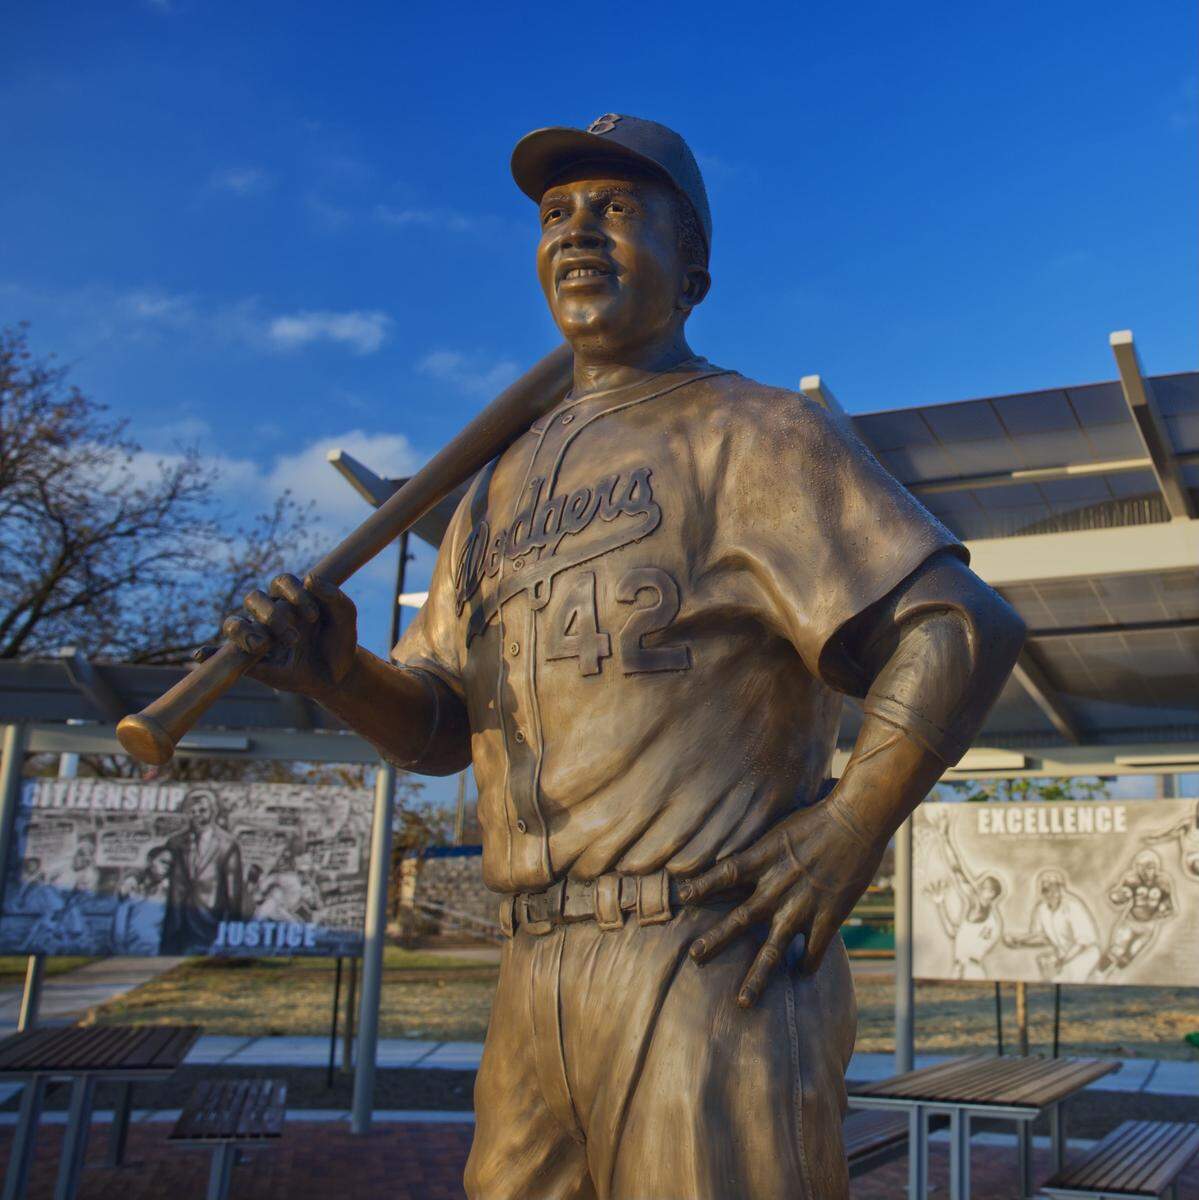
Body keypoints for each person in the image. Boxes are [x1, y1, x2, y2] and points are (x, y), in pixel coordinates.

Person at [204, 114, 1024, 1200]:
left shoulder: (752, 432)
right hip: (531, 969)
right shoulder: (494, 489)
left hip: (705, 961)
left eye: (619, 209)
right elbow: (445, 727)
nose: (579, 231)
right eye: (557, 215)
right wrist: (335, 672)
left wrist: (848, 825)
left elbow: (961, 626)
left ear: (693, 270)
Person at [923, 808, 1004, 980]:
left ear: (992, 894)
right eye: (981, 884)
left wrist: (944, 837)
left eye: (985, 886)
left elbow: (957, 869)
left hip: (970, 969)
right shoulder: (981, 910)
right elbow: (953, 931)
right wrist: (940, 903)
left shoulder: (985, 914)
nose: (979, 887)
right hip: (962, 967)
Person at [161, 788, 243, 953]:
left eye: (203, 810)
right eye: (192, 811)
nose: (197, 815)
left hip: (210, 919)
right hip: (178, 922)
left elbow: (233, 891)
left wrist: (232, 929)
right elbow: (157, 869)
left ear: (213, 811)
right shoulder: (174, 842)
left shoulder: (227, 845)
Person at [1005, 868, 1101, 982]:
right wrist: (1019, 942)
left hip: (1084, 957)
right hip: (1063, 958)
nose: (1051, 893)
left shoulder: (1073, 906)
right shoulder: (1041, 909)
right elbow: (1043, 938)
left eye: (1055, 888)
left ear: (1061, 888)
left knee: (1070, 984)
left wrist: (1062, 960)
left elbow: (1083, 942)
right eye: (1046, 889)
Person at [1096, 847, 1175, 974]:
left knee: (1129, 956)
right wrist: (1117, 895)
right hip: (1130, 922)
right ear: (1137, 868)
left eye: (1150, 867)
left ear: (1156, 867)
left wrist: (1164, 910)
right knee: (1115, 951)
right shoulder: (1131, 879)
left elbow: (1169, 906)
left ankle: (1111, 979)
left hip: (1148, 926)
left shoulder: (1163, 881)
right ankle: (1096, 975)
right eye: (1144, 867)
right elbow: (1117, 899)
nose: (1147, 871)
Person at [110, 845, 171, 955]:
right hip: (129, 948)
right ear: (150, 860)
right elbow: (119, 925)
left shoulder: (168, 889)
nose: (167, 867)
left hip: (154, 948)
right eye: (163, 862)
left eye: (170, 865)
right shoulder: (132, 884)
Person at [1141, 799, 1199, 883]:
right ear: (1197, 810)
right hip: (1192, 857)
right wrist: (1155, 836)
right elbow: (1169, 830)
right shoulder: (1188, 822)